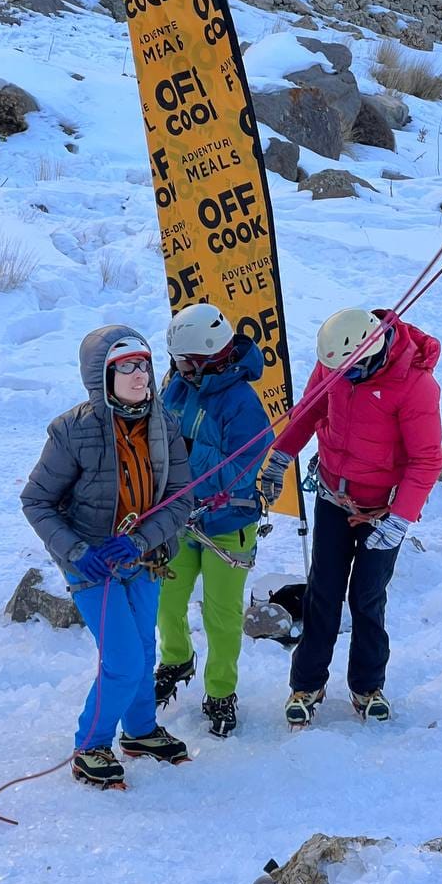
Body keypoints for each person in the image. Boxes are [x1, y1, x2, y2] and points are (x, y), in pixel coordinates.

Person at [21, 324, 194, 788]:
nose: (140, 376)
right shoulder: (72, 431)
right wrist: (77, 551)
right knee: (123, 660)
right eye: (127, 367)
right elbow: (36, 501)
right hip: (92, 565)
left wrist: (140, 541)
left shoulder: (164, 424)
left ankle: (139, 732)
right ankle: (91, 745)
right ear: (102, 375)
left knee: (143, 651)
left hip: (143, 559)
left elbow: (181, 498)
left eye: (145, 365)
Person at [260, 307, 442, 727]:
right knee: (322, 591)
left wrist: (399, 519)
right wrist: (281, 455)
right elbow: (309, 410)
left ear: (372, 352)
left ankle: (367, 686)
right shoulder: (336, 365)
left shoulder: (414, 384)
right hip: (333, 497)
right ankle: (306, 684)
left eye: (352, 370)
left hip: (383, 509)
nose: (343, 377)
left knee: (367, 596)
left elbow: (427, 459)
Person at [154, 302, 273, 737]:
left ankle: (221, 690)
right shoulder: (178, 385)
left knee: (221, 615)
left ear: (205, 357)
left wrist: (185, 454)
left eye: (184, 361)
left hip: (227, 523)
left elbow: (242, 468)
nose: (177, 368)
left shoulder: (242, 404)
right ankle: (176, 658)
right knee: (166, 599)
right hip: (180, 517)